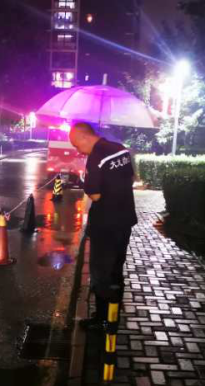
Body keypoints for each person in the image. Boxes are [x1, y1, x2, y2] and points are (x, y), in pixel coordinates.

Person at [69, 122, 137, 329]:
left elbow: (95, 194)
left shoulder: (96, 157)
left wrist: (84, 180)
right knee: (116, 268)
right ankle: (113, 314)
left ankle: (102, 319)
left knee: (101, 272)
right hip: (124, 219)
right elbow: (131, 178)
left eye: (77, 145)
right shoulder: (121, 149)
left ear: (84, 137)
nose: (78, 150)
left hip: (105, 224)